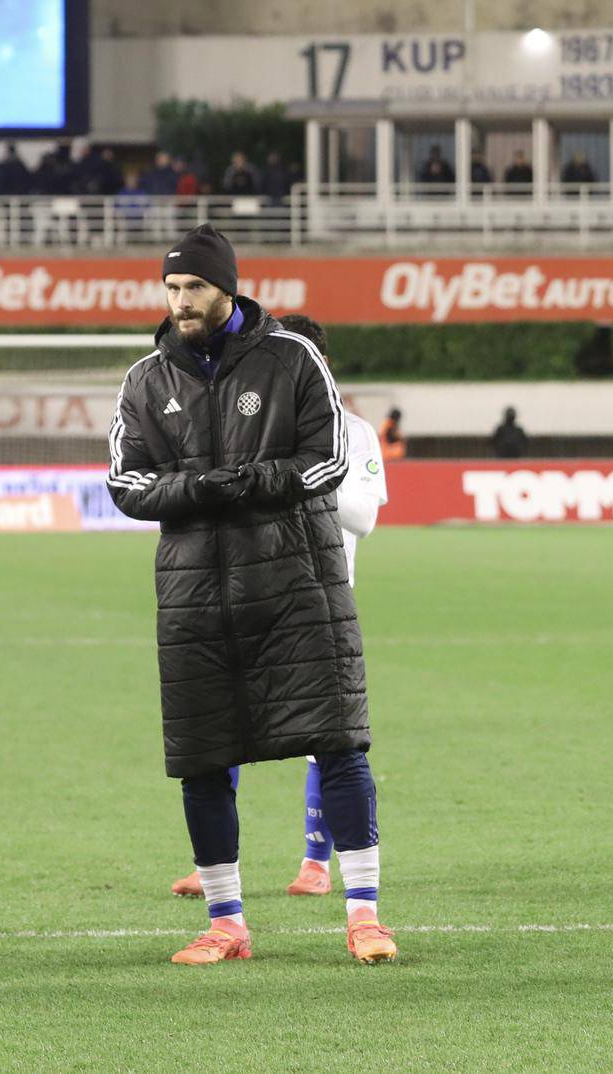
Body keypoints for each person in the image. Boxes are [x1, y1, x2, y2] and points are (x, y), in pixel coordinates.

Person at [105, 224, 394, 966]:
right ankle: (227, 922)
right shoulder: (145, 380)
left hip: (300, 588)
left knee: (338, 744)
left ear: (227, 286)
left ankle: (364, 916)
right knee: (200, 759)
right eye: (171, 288)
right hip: (196, 597)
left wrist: (253, 482)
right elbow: (125, 483)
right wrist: (202, 486)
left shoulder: (292, 359)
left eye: (193, 287)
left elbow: (330, 457)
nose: (180, 302)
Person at [169, 313, 389, 902]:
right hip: (246, 589)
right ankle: (213, 862)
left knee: (328, 737)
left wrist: (298, 468)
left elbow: (363, 516)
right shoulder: (244, 423)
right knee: (221, 726)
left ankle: (317, 862)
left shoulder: (354, 431)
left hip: (320, 596)